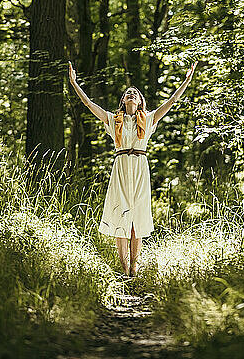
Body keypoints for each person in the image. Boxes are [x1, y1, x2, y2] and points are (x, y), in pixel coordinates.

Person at [68, 61, 198, 276]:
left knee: (136, 216)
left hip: (139, 167)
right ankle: (123, 267)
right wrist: (74, 83)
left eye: (135, 93)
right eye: (128, 93)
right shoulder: (112, 119)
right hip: (120, 167)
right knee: (121, 217)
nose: (131, 94)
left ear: (139, 102)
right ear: (123, 101)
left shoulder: (148, 118)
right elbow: (89, 104)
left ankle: (134, 267)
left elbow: (172, 100)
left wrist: (186, 81)